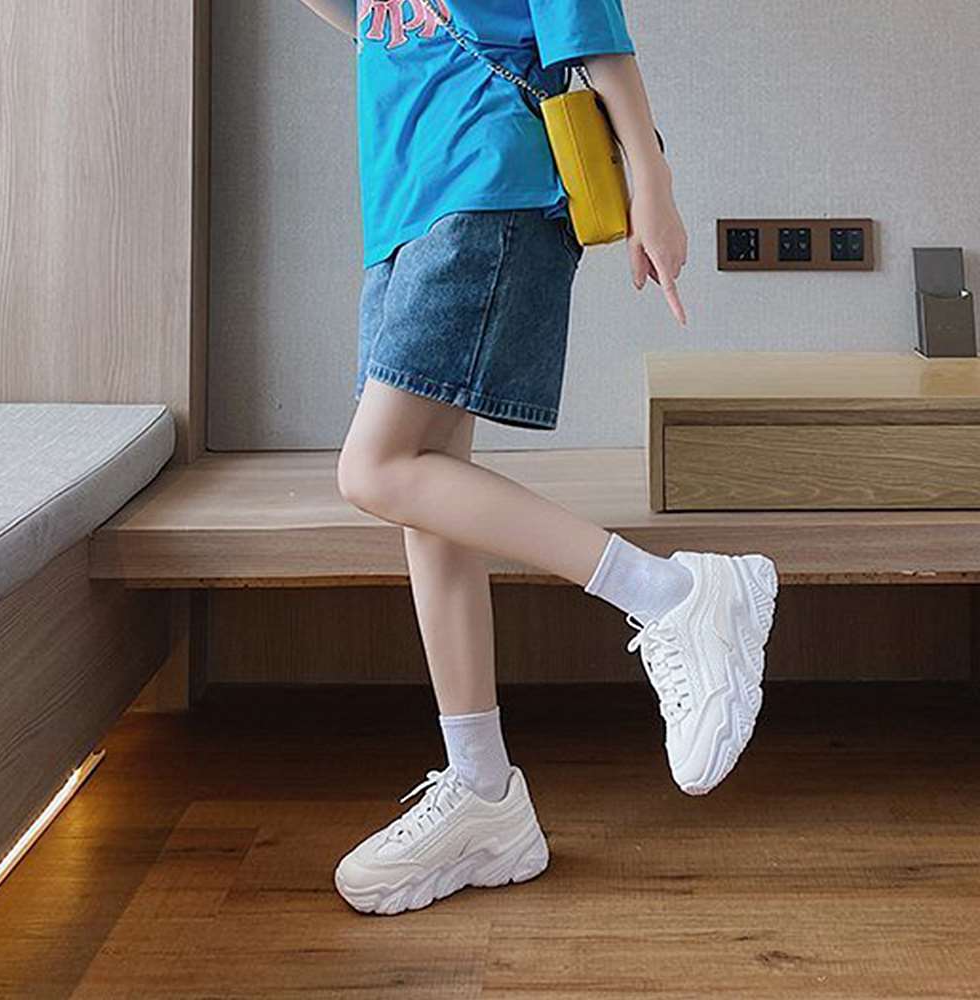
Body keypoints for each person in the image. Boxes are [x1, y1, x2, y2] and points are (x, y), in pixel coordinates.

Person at [300, 0, 779, 916]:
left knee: (375, 468)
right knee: (424, 500)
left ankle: (675, 594)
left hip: (487, 176)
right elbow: (363, 17)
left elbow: (589, 26)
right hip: (404, 194)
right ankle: (484, 794)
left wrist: (653, 182)